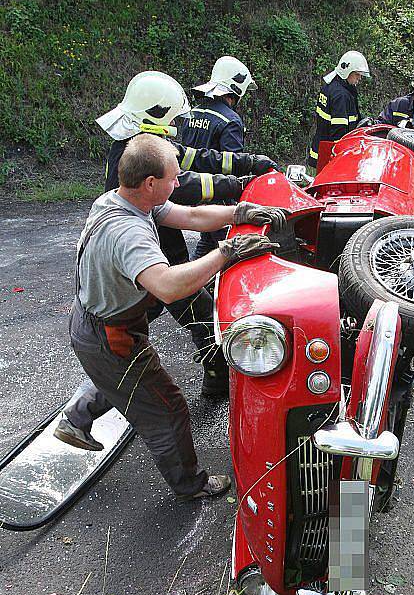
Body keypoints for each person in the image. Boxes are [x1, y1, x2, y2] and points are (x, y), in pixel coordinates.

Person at [53, 134, 285, 501]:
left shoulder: (125, 201)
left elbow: (190, 215)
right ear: (149, 182)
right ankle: (190, 485)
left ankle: (74, 419)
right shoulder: (128, 232)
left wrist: (240, 212)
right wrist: (227, 254)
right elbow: (168, 286)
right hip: (110, 337)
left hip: (96, 325)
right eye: (173, 178)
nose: (178, 183)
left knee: (125, 383)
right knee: (167, 407)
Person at [96, 70, 277, 396]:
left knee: (146, 325)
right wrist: (239, 187)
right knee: (197, 318)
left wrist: (247, 164)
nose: (172, 131)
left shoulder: (142, 143)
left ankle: (215, 379)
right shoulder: (137, 159)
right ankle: (216, 381)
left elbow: (194, 160)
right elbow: (186, 188)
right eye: (168, 124)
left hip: (156, 252)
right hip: (148, 258)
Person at [180, 56, 256, 259]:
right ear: (236, 89)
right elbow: (233, 164)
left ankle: (196, 284)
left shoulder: (193, 113)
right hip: (218, 196)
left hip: (192, 190)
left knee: (206, 241)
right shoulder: (231, 120)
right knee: (230, 250)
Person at [307, 51, 370, 174]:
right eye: (357, 74)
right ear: (347, 71)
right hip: (331, 156)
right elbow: (339, 130)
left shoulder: (330, 86)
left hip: (320, 150)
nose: (359, 78)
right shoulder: (341, 95)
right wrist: (341, 158)